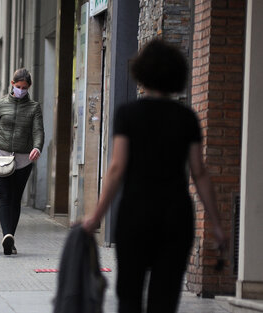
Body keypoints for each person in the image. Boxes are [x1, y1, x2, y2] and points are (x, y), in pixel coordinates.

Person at [82, 39, 226, 313]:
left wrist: (96, 216)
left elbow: (117, 168)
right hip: (175, 216)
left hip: (135, 214)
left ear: (142, 72)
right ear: (176, 74)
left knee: (129, 295)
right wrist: (217, 225)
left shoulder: (128, 115)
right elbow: (200, 173)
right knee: (165, 298)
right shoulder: (187, 118)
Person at [0, 68, 44, 255]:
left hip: (23, 160)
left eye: (24, 87)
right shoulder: (1, 104)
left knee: (16, 199)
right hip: (1, 157)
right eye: (18, 86)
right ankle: (8, 236)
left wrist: (37, 147)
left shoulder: (34, 107)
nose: (21, 90)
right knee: (5, 197)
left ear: (29, 87)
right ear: (12, 84)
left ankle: (9, 237)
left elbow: (38, 131)